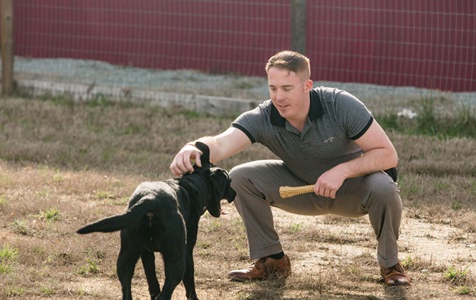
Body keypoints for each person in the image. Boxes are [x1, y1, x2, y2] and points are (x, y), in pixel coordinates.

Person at [170, 50, 410, 286]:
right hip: (301, 188)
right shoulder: (265, 115)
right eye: (272, 88)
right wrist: (194, 147)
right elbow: (222, 142)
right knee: (240, 177)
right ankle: (272, 260)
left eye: (287, 89)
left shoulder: (339, 104)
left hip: (353, 189)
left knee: (385, 187)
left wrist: (342, 171)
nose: (279, 97)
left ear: (307, 85)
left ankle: (390, 264)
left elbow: (388, 155)